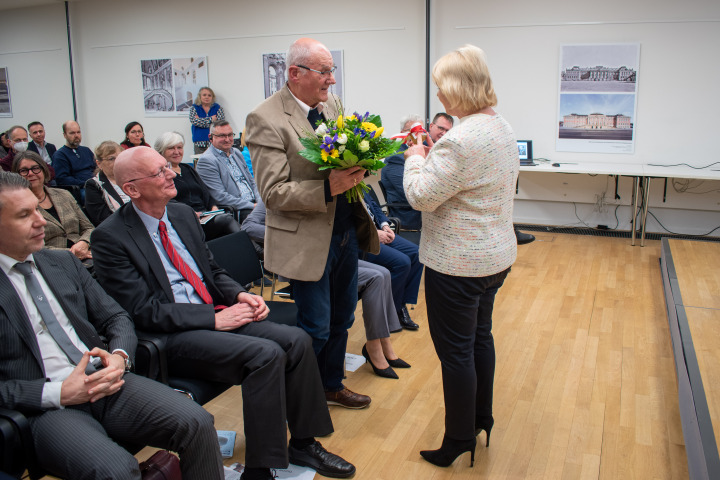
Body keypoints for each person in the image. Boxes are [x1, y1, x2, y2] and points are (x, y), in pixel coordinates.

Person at [91, 147, 356, 480]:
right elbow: (142, 311)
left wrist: (241, 294)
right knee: (266, 354)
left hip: (214, 314)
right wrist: (213, 319)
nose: (173, 173)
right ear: (131, 189)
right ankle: (259, 470)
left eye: (167, 167)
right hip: (173, 335)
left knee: (298, 340)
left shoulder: (183, 214)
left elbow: (212, 270)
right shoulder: (110, 237)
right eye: (159, 172)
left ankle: (302, 443)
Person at [0, 171, 225, 479]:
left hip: (105, 379)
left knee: (197, 422)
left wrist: (119, 357)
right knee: (117, 470)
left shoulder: (60, 262)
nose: (42, 221)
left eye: (38, 210)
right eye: (24, 215)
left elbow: (115, 317)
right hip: (47, 407)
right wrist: (58, 393)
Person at [246, 37, 379, 410]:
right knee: (316, 327)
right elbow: (273, 193)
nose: (331, 81)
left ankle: (330, 385)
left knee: (342, 319)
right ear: (295, 73)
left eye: (331, 71)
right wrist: (326, 188)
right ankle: (298, 401)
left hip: (344, 233)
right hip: (304, 242)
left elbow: (341, 154)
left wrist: (360, 165)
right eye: (324, 72)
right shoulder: (265, 118)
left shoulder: (331, 104)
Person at [403, 44, 518, 468]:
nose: (439, 97)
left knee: (455, 353)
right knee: (479, 339)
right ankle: (481, 418)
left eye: (440, 88)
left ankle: (457, 439)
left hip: (457, 266)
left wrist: (416, 158)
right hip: (494, 258)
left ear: (455, 88)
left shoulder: (460, 139)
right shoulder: (500, 126)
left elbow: (419, 197)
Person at [241, 200, 410, 379]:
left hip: (333, 253)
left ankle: (380, 343)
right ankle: (370, 350)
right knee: (374, 279)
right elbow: (248, 226)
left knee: (382, 274)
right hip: (302, 260)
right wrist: (292, 236)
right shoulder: (278, 192)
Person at [155, 131, 242, 240]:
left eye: (179, 147)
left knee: (226, 224)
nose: (177, 152)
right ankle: (256, 250)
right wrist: (190, 213)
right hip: (186, 220)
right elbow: (168, 202)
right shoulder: (162, 175)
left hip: (206, 215)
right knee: (226, 221)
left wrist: (213, 207)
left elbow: (205, 192)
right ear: (162, 151)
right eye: (171, 148)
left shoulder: (188, 169)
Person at [12, 152, 93, 263]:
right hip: (53, 261)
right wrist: (71, 253)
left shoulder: (64, 194)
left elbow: (89, 228)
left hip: (86, 252)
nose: (30, 173)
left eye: (35, 168)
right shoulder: (18, 206)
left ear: (44, 170)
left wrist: (83, 243)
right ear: (17, 175)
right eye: (24, 171)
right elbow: (30, 246)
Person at [381, 113, 454, 230]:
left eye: (419, 131)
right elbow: (410, 192)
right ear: (402, 132)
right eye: (411, 131)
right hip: (410, 216)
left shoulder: (424, 149)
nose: (416, 136)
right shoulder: (395, 157)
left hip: (427, 209)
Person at [363, 192, 423, 330]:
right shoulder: (343, 189)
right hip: (364, 240)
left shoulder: (359, 183)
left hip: (379, 230)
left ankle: (400, 306)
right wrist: (373, 233)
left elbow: (374, 206)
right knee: (402, 263)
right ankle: (390, 313)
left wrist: (385, 225)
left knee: (416, 253)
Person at [196, 120, 259, 223]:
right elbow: (220, 197)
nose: (227, 139)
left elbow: (252, 182)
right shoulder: (207, 160)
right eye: (222, 136)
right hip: (238, 210)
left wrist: (260, 202)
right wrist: (253, 206)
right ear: (211, 138)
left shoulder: (236, 153)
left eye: (230, 135)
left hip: (254, 204)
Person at [84, 140, 129, 225]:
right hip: (117, 229)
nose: (117, 161)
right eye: (111, 159)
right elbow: (102, 219)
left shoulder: (131, 178)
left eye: (119, 157)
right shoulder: (93, 185)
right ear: (99, 163)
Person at [52, 121, 96, 188]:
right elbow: (62, 179)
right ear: (65, 135)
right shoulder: (60, 155)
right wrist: (86, 184)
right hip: (79, 189)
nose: (76, 136)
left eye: (78, 132)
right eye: (72, 133)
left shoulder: (86, 150)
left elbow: (96, 168)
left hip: (94, 184)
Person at [189, 86, 225, 154]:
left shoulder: (218, 108)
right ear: (200, 96)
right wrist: (211, 119)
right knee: (200, 163)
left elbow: (220, 124)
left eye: (209, 95)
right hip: (199, 142)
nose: (207, 97)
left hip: (214, 142)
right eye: (204, 95)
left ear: (212, 97)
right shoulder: (194, 108)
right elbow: (194, 121)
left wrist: (200, 120)